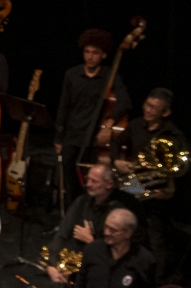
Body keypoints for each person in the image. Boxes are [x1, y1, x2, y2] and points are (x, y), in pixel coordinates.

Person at [111, 88, 190, 270]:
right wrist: (117, 161)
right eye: (147, 104)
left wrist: (170, 188)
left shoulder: (172, 134)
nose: (148, 110)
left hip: (157, 190)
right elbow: (116, 142)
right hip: (135, 184)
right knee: (126, 227)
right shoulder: (136, 124)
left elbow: (179, 167)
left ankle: (158, 278)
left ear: (165, 112)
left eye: (154, 108)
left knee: (155, 237)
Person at [56, 28, 133, 201]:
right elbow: (64, 106)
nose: (90, 56)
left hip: (94, 139)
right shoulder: (72, 74)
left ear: (103, 55)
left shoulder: (109, 76)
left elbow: (125, 102)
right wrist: (58, 138)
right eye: (87, 52)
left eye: (95, 53)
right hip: (72, 136)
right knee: (69, 183)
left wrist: (108, 124)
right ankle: (71, 215)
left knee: (92, 182)